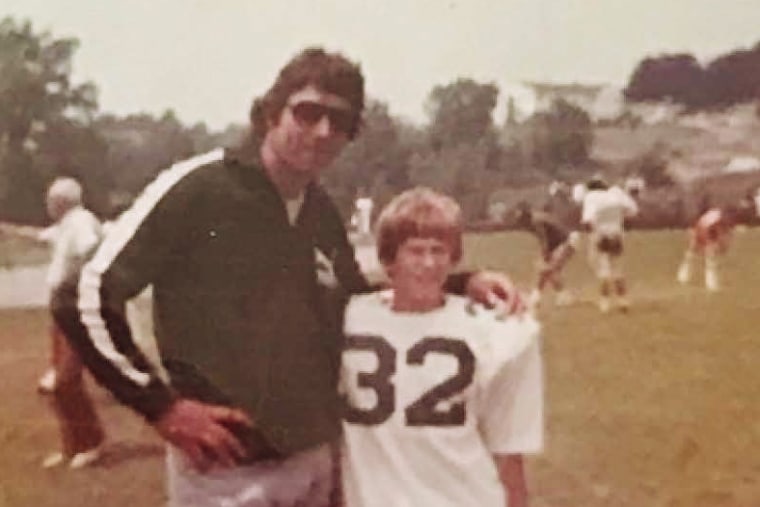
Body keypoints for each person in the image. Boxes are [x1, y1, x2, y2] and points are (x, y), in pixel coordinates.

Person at [55, 47, 522, 506]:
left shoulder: (318, 211)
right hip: (227, 474)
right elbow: (83, 295)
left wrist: (460, 283)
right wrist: (162, 407)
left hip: (315, 460)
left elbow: (354, 299)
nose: (323, 131)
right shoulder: (200, 188)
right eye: (308, 112)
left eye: (340, 122)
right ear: (271, 113)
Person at [341, 187, 544, 507]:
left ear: (454, 258)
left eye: (439, 251)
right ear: (389, 259)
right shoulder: (347, 317)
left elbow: (508, 451)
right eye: (416, 251)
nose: (429, 263)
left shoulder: (495, 331)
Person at [1, 177, 106, 468]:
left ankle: (92, 442)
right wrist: (7, 229)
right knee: (57, 384)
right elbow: (38, 236)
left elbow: (92, 250)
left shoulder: (82, 221)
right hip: (62, 309)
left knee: (66, 380)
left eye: (50, 199)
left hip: (76, 308)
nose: (46, 204)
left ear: (61, 201)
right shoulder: (67, 225)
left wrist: (78, 284)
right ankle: (72, 446)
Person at [580, 177, 639, 313]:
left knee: (603, 269)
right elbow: (633, 211)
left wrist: (592, 234)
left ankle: (605, 302)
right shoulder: (615, 194)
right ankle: (623, 301)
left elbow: (587, 220)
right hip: (617, 234)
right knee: (618, 269)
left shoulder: (591, 197)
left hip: (601, 235)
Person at [512, 202, 578, 310]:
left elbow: (544, 239)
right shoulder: (536, 218)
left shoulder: (536, 221)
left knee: (549, 269)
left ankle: (563, 295)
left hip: (567, 241)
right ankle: (537, 297)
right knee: (545, 270)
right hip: (558, 243)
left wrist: (545, 254)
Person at [676, 207, 736, 291]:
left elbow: (726, 232)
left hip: (704, 229)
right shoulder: (715, 220)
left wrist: (723, 245)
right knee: (704, 257)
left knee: (698, 255)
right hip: (701, 230)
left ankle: (685, 277)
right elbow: (712, 233)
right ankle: (710, 283)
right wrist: (715, 245)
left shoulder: (721, 217)